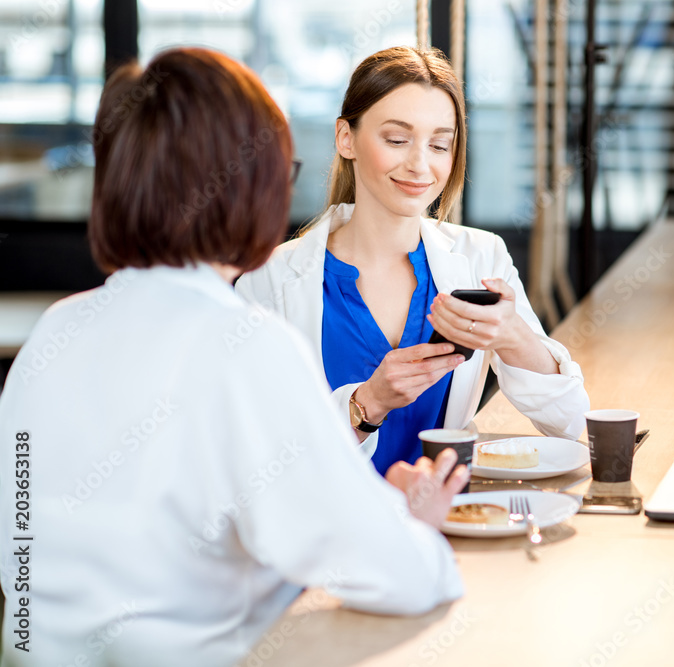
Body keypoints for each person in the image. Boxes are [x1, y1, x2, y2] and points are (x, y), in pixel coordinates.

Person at [0, 48, 467, 667]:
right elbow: (400, 576)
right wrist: (412, 525)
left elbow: (26, 554)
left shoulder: (54, 333)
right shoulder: (244, 346)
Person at [236, 46, 589, 475]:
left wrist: (513, 334)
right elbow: (255, 454)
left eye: (440, 145)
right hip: (330, 535)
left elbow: (570, 422)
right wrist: (366, 405)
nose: (420, 165)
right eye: (397, 139)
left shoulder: (482, 257)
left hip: (446, 528)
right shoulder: (269, 279)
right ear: (345, 138)